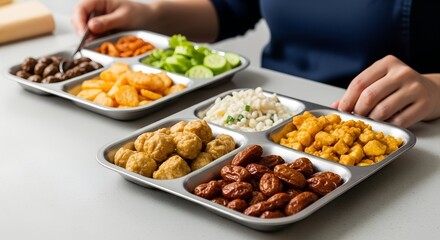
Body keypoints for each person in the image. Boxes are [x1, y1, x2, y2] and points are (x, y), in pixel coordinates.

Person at [71, 0, 440, 128]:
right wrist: (145, 13)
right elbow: (230, 10)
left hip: (401, 125)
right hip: (270, 104)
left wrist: (436, 89)